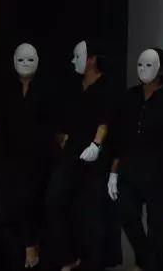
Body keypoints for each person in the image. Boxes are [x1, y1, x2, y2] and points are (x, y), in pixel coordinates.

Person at [110, 47, 163, 271]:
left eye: (148, 65)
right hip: (131, 171)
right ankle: (146, 260)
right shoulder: (129, 97)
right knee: (125, 211)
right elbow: (120, 136)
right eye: (140, 64)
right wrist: (113, 172)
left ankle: (150, 265)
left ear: (161, 69)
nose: (143, 69)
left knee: (158, 230)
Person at [44, 40, 115, 271]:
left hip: (94, 157)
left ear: (91, 59)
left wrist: (96, 145)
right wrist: (62, 139)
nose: (73, 61)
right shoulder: (74, 86)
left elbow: (105, 122)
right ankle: (69, 256)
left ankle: (91, 262)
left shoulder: (106, 86)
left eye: (78, 56)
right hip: (71, 155)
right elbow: (63, 118)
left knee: (90, 211)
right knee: (56, 200)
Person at [0, 43, 53, 270]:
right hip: (5, 156)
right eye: (21, 59)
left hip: (34, 157)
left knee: (29, 201)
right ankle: (15, 256)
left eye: (29, 59)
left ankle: (31, 245)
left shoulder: (45, 89)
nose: (25, 64)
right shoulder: (5, 89)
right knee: (5, 212)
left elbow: (50, 122)